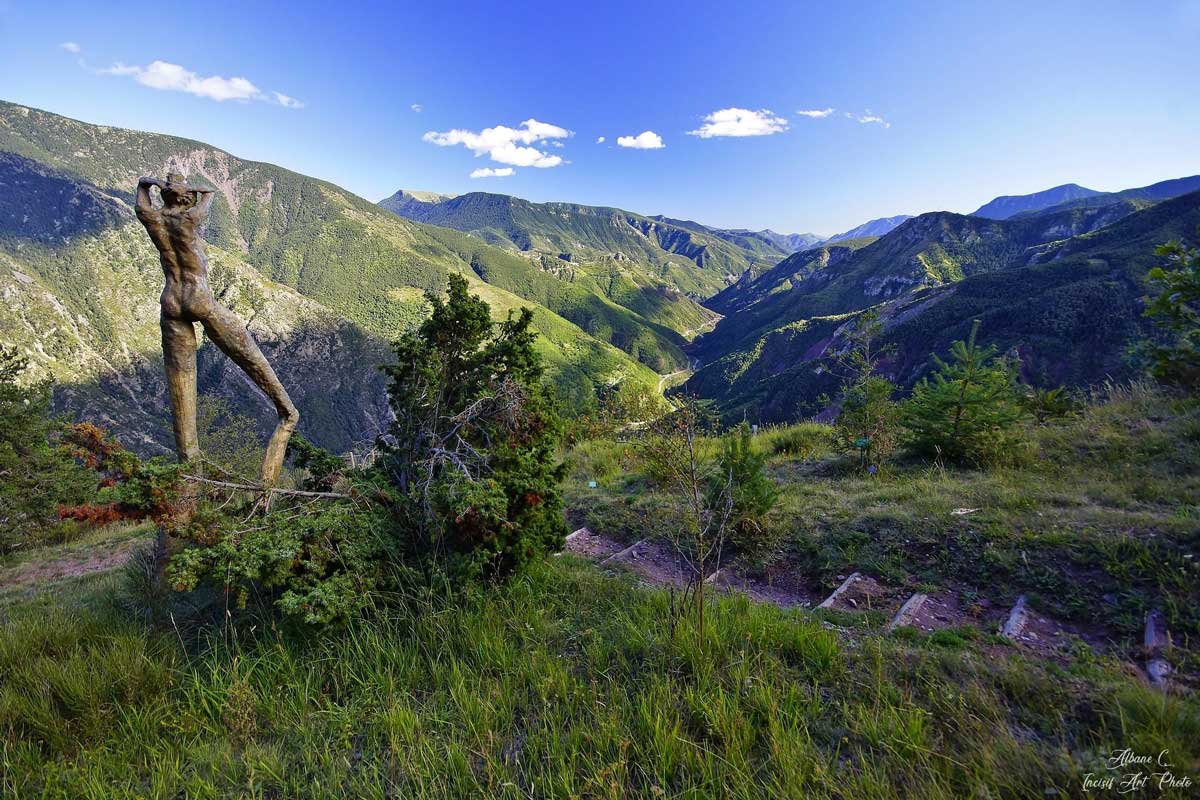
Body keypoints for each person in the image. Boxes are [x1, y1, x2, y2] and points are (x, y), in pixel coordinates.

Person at [135, 173, 298, 487]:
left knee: (183, 413)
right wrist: (196, 190)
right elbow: (207, 198)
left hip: (171, 301)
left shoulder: (154, 218)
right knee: (252, 359)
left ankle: (191, 486)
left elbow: (141, 205)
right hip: (200, 299)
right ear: (187, 198)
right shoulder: (190, 217)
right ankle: (287, 414)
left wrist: (147, 183)